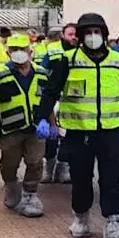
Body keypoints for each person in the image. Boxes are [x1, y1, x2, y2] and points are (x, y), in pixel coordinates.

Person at [35, 12, 119, 238]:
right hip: (78, 132)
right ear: (80, 36)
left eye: (97, 32)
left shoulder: (118, 61)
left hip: (110, 131)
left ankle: (114, 223)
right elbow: (51, 91)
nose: (93, 36)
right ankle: (80, 217)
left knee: (112, 178)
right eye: (88, 32)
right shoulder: (68, 60)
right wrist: (42, 118)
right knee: (81, 179)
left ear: (104, 34)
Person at [0, 33, 47, 217]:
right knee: (9, 164)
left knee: (35, 162)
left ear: (30, 51)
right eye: (14, 49)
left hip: (35, 128)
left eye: (22, 49)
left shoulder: (41, 73)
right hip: (9, 130)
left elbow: (48, 99)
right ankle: (11, 186)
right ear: (8, 52)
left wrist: (52, 124)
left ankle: (30, 195)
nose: (18, 53)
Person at [40, 23, 80, 184]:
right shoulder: (52, 50)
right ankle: (48, 169)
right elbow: (42, 72)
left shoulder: (82, 52)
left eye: (76, 34)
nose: (74, 37)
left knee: (69, 138)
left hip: (74, 101)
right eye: (70, 34)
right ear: (63, 35)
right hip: (55, 99)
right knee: (52, 136)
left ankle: (63, 170)